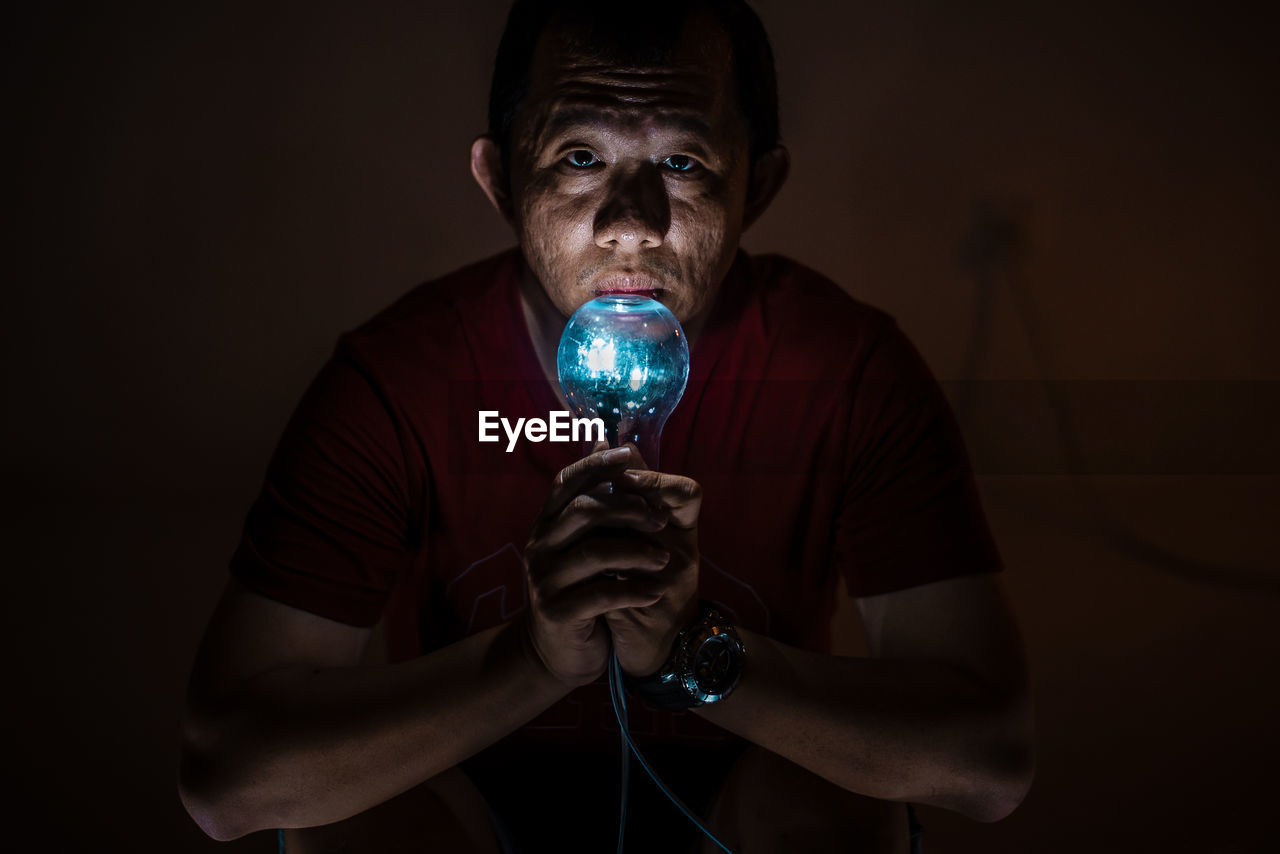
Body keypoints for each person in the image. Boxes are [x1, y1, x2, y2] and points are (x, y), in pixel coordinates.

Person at [178, 1, 1034, 851]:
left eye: (684, 162)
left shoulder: (846, 370)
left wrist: (692, 655)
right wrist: (536, 659)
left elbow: (985, 762)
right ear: (502, 180)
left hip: (737, 817)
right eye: (580, 157)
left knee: (834, 803)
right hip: (476, 818)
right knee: (353, 822)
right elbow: (230, 781)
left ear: (756, 187)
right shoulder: (402, 382)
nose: (633, 222)